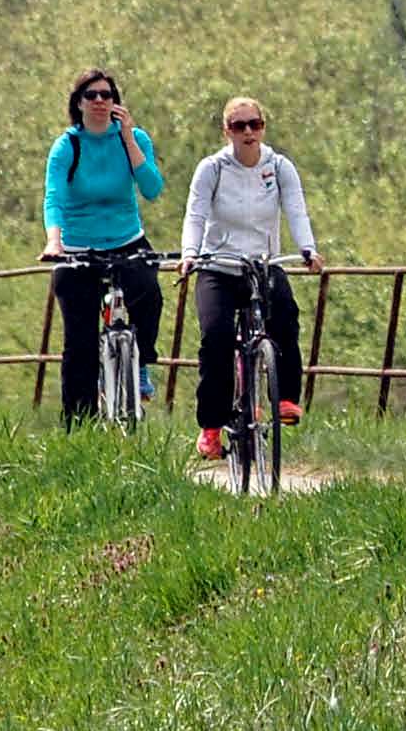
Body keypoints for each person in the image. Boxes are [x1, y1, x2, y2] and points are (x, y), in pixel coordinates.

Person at [180, 96, 322, 459]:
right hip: (218, 265)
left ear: (263, 127)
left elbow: (296, 210)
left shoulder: (279, 167)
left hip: (263, 262)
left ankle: (286, 398)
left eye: (254, 125)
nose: (248, 132)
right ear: (227, 131)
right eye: (239, 126)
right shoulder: (212, 169)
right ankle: (211, 427)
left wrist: (308, 249)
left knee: (286, 318)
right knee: (216, 338)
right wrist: (190, 254)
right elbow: (195, 214)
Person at [42, 67, 167, 427]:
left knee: (148, 293)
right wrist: (55, 242)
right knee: (79, 345)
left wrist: (128, 138)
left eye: (106, 95)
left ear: (116, 103)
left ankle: (140, 364)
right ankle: (79, 430)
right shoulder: (68, 146)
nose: (99, 101)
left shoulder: (135, 138)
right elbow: (54, 198)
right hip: (78, 247)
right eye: (91, 95)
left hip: (125, 240)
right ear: (78, 103)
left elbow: (152, 188)